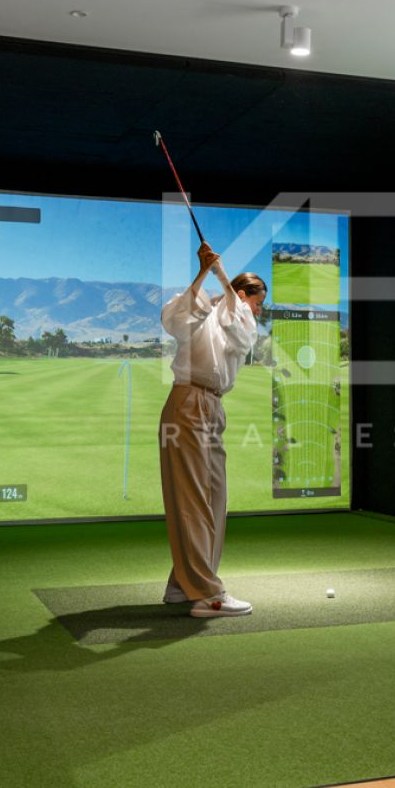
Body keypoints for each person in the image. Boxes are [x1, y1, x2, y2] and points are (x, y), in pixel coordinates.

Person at [157, 240, 267, 618]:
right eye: (258, 302)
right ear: (243, 295)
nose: (259, 311)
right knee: (193, 499)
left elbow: (242, 331)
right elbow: (174, 319)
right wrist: (204, 272)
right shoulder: (202, 307)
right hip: (188, 403)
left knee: (215, 499)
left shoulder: (239, 320)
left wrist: (220, 274)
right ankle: (208, 595)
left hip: (213, 407)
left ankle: (182, 583)